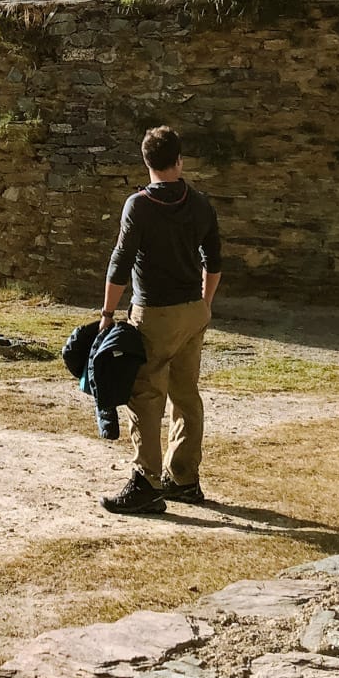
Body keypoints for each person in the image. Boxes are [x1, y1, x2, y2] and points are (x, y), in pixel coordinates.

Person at [98, 125, 222, 515]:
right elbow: (214, 260)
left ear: (146, 162)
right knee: (186, 393)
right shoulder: (200, 202)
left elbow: (120, 263)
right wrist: (204, 303)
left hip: (153, 312)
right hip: (192, 310)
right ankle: (184, 478)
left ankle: (146, 481)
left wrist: (107, 313)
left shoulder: (139, 205)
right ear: (180, 161)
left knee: (146, 393)